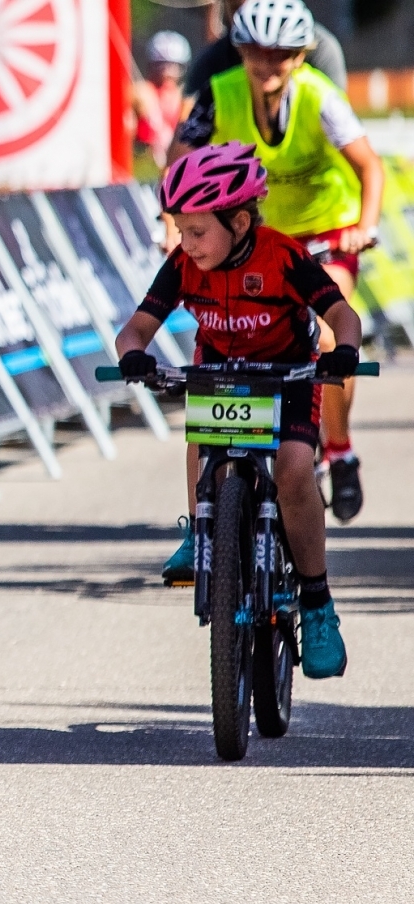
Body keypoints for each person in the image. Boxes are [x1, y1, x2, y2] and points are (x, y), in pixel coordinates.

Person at [118, 143, 359, 678]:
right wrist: (134, 355)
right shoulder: (183, 264)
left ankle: (317, 603)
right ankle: (199, 534)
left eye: (197, 232)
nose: (186, 244)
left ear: (241, 221)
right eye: (180, 231)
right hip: (221, 373)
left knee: (293, 471)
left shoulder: (283, 256)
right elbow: (134, 328)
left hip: (287, 373)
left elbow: (344, 315)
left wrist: (342, 350)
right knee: (202, 437)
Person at [171, 0, 379, 522]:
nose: (269, 64)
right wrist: (172, 221)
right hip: (260, 236)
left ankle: (339, 450)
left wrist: (366, 225)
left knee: (327, 335)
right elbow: (179, 159)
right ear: (239, 51)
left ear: (301, 56)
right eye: (257, 53)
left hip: (327, 230)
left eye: (282, 55)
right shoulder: (219, 94)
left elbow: (368, 166)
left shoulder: (320, 96)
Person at [183, 0, 346, 101]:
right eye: (236, 8)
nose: (264, 63)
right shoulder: (211, 64)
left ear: (299, 56)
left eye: (280, 55)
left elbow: (343, 129)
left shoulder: (321, 50)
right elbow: (186, 134)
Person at [135, 31, 191, 167]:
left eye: (173, 66)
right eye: (161, 66)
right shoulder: (141, 92)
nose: (167, 71)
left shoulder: (186, 98)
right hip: (144, 164)